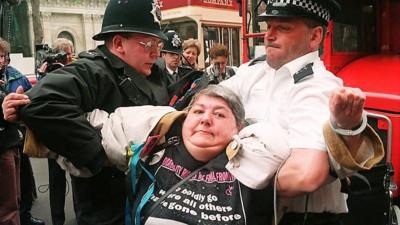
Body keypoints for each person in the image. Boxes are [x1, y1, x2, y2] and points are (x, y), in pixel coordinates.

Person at [3, 0, 170, 224]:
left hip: (152, 198)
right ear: (119, 43)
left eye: (159, 45)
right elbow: (42, 103)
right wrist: (101, 155)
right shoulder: (91, 71)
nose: (156, 53)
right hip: (108, 207)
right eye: (149, 44)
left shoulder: (156, 73)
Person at [220, 0, 375, 224]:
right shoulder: (254, 72)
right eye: (268, 26)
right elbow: (204, 104)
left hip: (299, 219)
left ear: (315, 37)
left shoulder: (318, 87)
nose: (269, 36)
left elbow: (304, 175)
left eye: (283, 28)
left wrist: (220, 180)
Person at [0, 38, 45, 225]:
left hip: (13, 142)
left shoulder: (10, 76)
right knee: (8, 207)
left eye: (3, 56)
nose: (1, 61)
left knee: (15, 197)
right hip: (3, 147)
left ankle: (24, 216)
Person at [40, 37, 75, 225]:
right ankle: (57, 219)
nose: (70, 57)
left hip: (69, 133)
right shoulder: (46, 74)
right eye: (67, 54)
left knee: (77, 179)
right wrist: (42, 76)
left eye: (70, 53)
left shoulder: (77, 70)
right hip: (55, 135)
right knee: (57, 181)